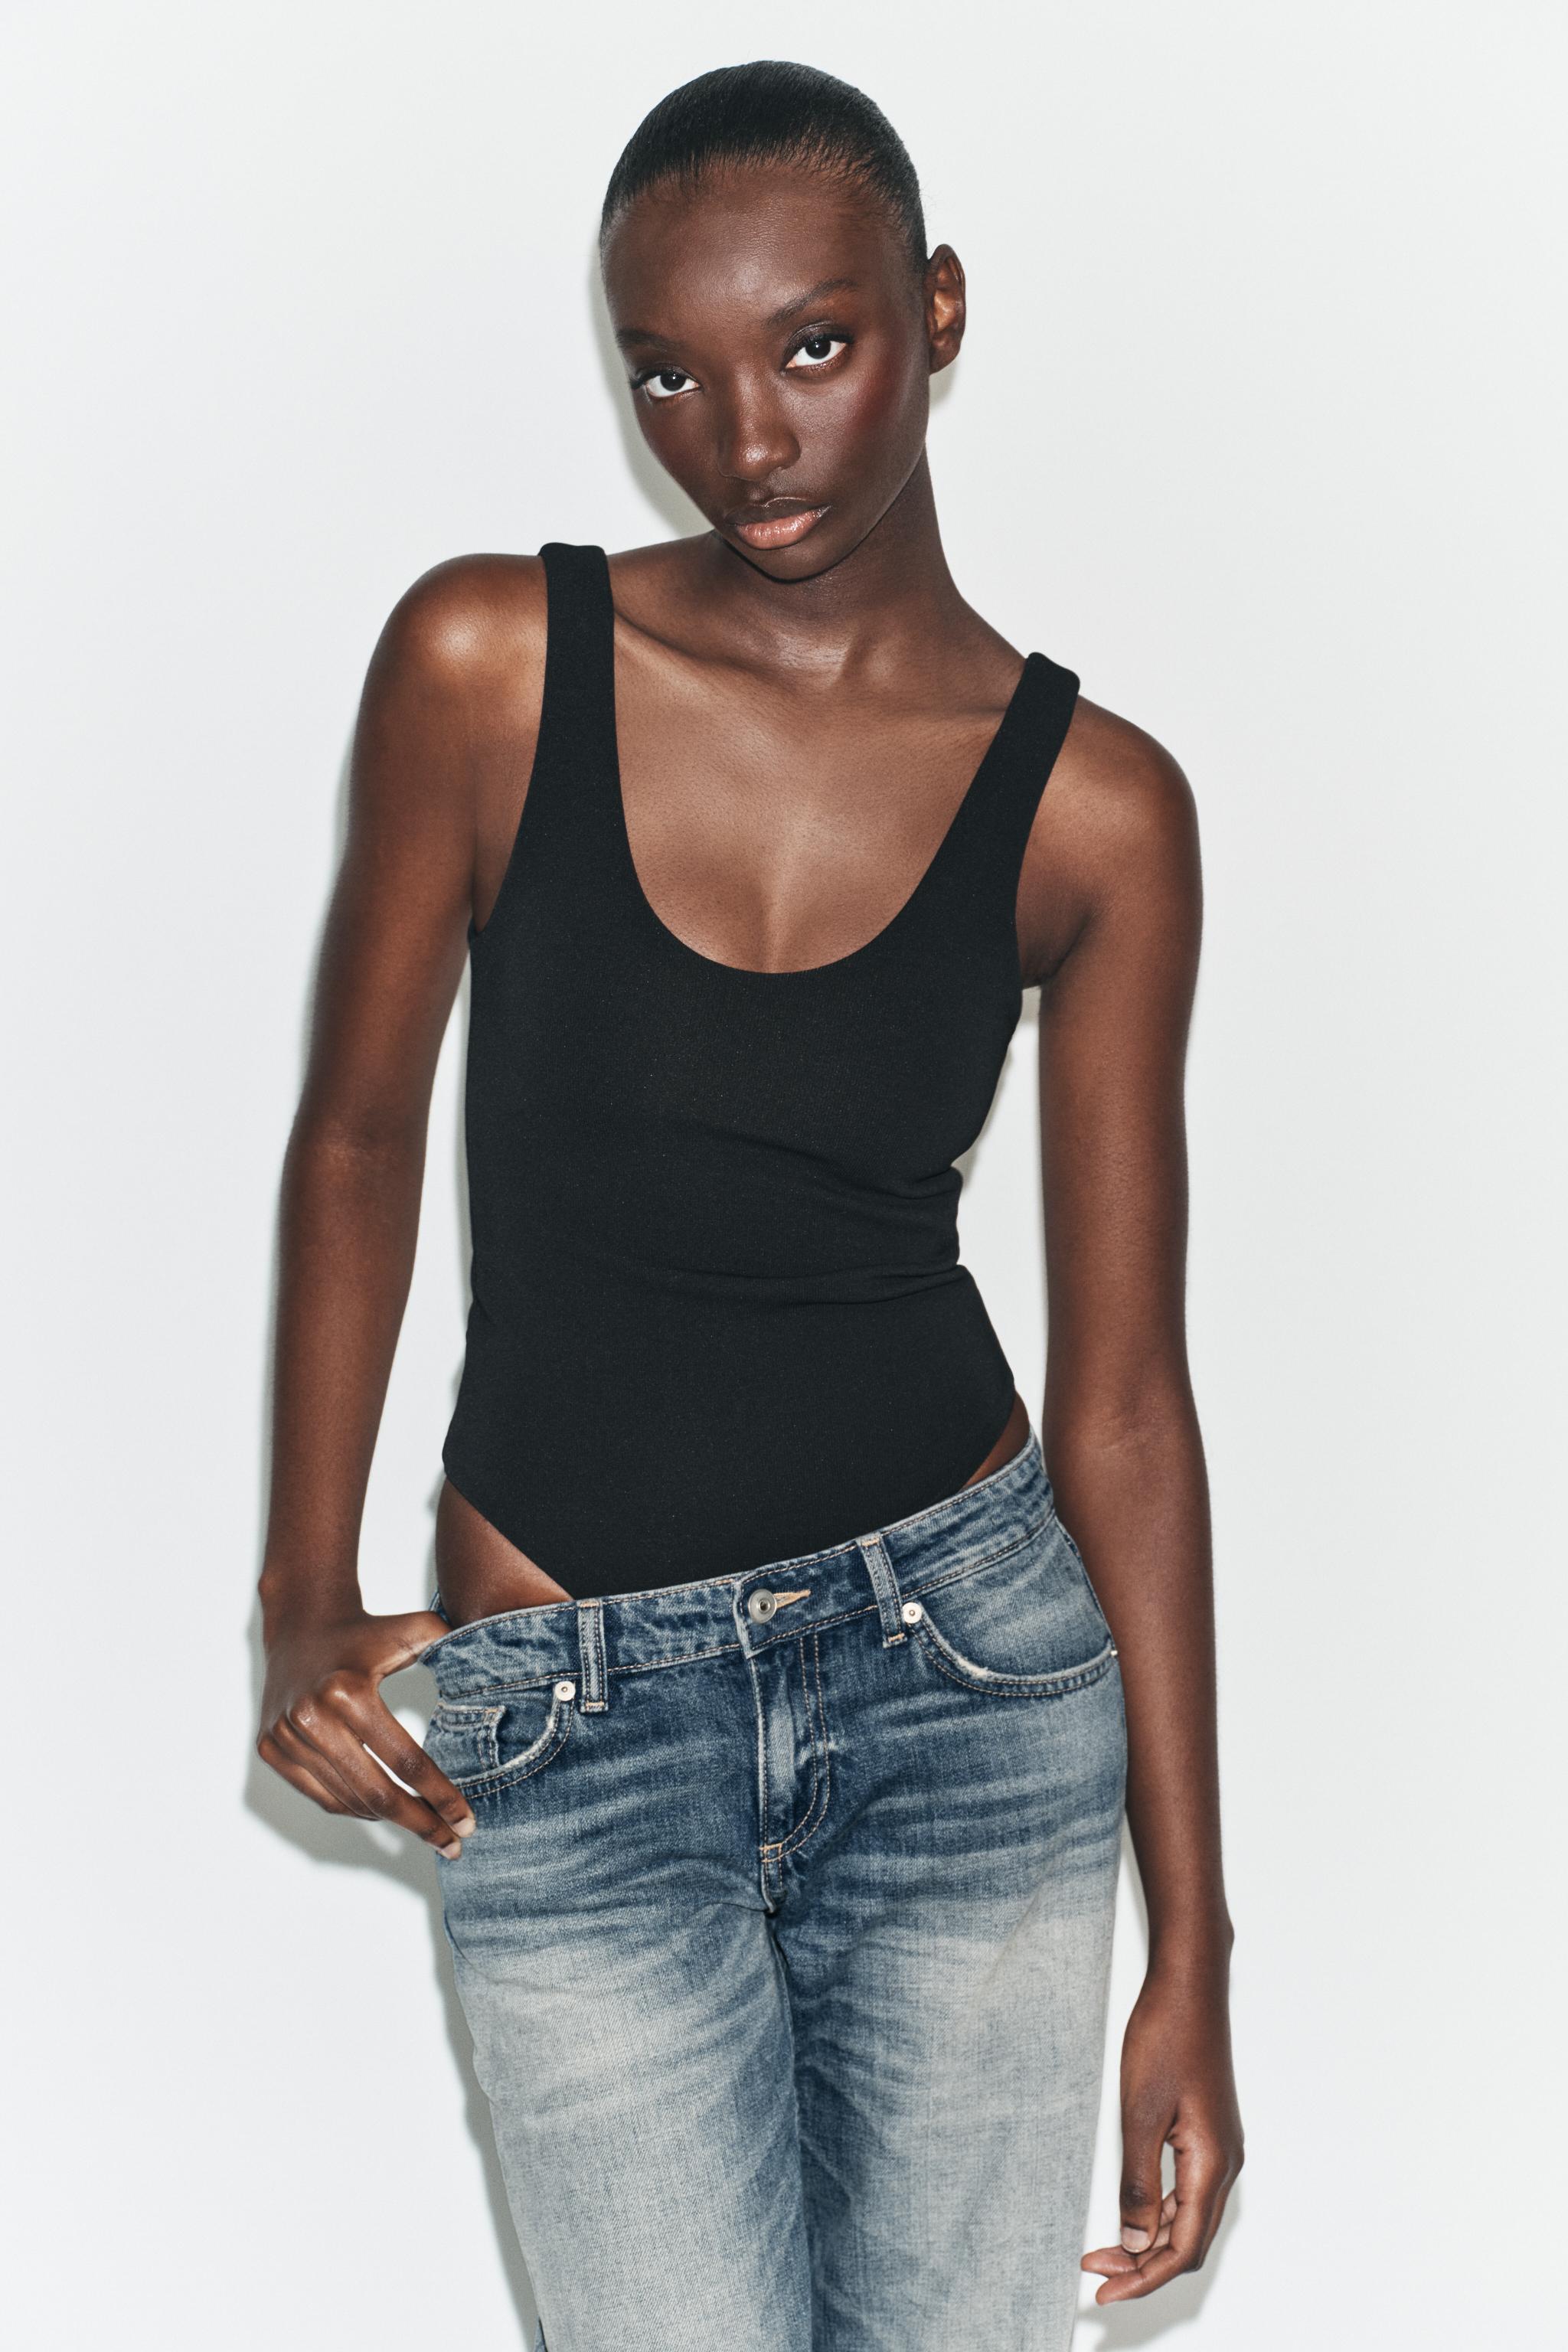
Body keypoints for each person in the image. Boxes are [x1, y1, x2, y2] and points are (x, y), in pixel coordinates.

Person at [256, 58, 1243, 2352]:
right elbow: (354, 1139)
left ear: (939, 309)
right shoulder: (492, 667)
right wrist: (302, 1593)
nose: (748, 440)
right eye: (670, 376)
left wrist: (1192, 1943)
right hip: (571, 1702)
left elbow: (1125, 1403)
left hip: (969, 1683)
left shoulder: (1098, 811)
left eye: (814, 346)